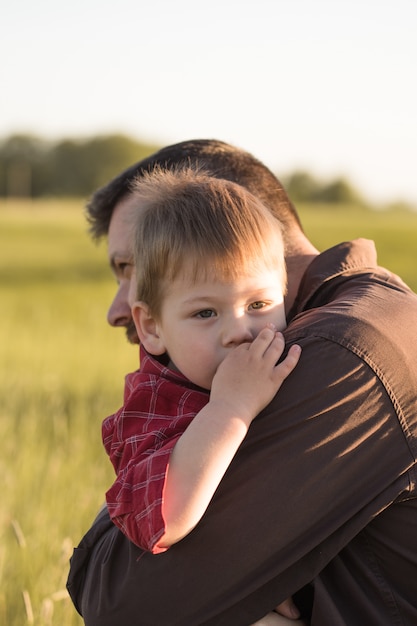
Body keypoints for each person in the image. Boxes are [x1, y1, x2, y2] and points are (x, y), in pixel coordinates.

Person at [67, 140, 417, 625]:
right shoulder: (324, 332)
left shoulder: (335, 353)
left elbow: (126, 602)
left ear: (228, 225)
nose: (117, 308)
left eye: (134, 268)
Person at [103, 167, 300, 554]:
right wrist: (231, 408)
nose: (239, 332)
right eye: (206, 313)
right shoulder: (154, 409)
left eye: (259, 304)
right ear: (152, 327)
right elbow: (162, 521)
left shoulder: (299, 356)